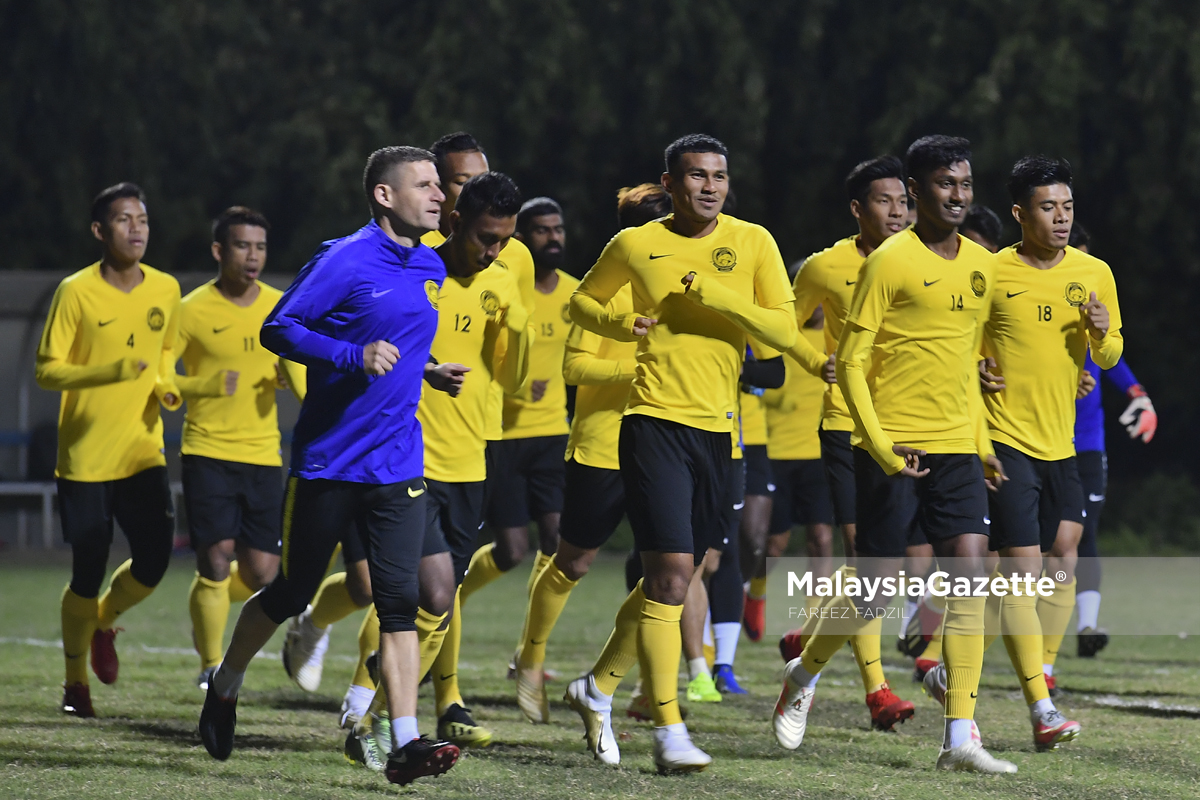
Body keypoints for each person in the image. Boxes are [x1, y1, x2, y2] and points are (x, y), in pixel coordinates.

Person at [197, 145, 468, 787]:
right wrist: (351, 356)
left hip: (398, 461)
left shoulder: (429, 262)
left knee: (399, 601)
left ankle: (404, 741)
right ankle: (226, 684)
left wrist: (424, 370)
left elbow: (396, 341)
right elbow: (280, 328)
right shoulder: (344, 258)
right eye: (425, 185)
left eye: (440, 186)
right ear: (384, 195)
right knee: (292, 589)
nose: (439, 195)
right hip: (329, 464)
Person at [772, 136, 1014, 773]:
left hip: (958, 445)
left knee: (969, 576)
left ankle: (959, 734)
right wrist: (879, 448)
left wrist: (984, 440)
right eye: (944, 185)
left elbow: (968, 360)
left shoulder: (983, 266)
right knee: (877, 589)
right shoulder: (888, 263)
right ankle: (804, 675)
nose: (958, 196)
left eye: (965, 184)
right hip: (891, 445)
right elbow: (849, 363)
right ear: (916, 191)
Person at [566, 134, 797, 773]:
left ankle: (598, 686)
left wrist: (725, 301)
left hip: (721, 434)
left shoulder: (755, 242)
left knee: (680, 578)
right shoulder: (634, 244)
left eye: (719, 176)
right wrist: (623, 326)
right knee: (668, 575)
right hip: (651, 424)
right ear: (669, 183)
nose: (710, 186)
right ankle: (668, 728)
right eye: (696, 176)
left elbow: (780, 331)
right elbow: (580, 301)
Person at [959, 155, 1111, 750]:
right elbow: (962, 342)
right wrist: (975, 368)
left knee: (1064, 550)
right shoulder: (989, 272)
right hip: (1004, 439)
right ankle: (1042, 706)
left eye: (1068, 207)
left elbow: (1108, 353)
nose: (1061, 218)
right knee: (1020, 572)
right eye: (1049, 208)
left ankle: (963, 661)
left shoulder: (1095, 272)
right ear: (1021, 213)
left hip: (1061, 443)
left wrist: (1102, 333)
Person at [512, 184, 664, 726]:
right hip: (604, 442)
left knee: (669, 571)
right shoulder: (605, 290)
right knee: (572, 561)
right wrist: (636, 372)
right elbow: (574, 369)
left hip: (669, 445)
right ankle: (530, 659)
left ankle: (625, 684)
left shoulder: (693, 288)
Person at [774, 156, 916, 731]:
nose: (899, 211)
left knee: (885, 564)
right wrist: (815, 359)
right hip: (846, 425)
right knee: (865, 557)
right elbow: (784, 324)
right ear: (858, 209)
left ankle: (806, 638)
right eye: (886, 201)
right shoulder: (826, 267)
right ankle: (878, 689)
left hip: (912, 425)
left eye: (904, 201)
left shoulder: (925, 260)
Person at [37, 182, 182, 718]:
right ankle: (76, 686)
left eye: (142, 218)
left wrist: (166, 383)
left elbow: (165, 352)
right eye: (124, 219)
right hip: (86, 457)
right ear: (100, 231)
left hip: (143, 450)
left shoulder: (166, 289)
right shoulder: (75, 291)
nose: (137, 228)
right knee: (87, 566)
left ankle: (102, 622)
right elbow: (46, 369)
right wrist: (109, 372)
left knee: (154, 559)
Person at [178, 207, 307, 691]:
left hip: (262, 454)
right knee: (214, 558)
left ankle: (206, 607)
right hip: (206, 449)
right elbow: (162, 376)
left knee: (261, 572)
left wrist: (290, 374)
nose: (252, 256)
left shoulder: (281, 305)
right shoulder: (190, 309)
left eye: (260, 247)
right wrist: (206, 384)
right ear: (219, 251)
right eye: (241, 246)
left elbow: (305, 363)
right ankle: (212, 664)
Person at [461, 197, 577, 610]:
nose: (554, 237)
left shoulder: (575, 292)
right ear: (522, 240)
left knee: (556, 540)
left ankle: (528, 647)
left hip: (552, 434)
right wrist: (519, 388)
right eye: (543, 230)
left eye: (558, 229)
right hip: (503, 434)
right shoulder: (504, 288)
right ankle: (461, 593)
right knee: (511, 550)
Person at [1067, 225, 1156, 660]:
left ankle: (1085, 626)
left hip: (1086, 442)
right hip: (1033, 437)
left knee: (1084, 533)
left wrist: (1139, 394)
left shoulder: (1095, 310)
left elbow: (1112, 357)